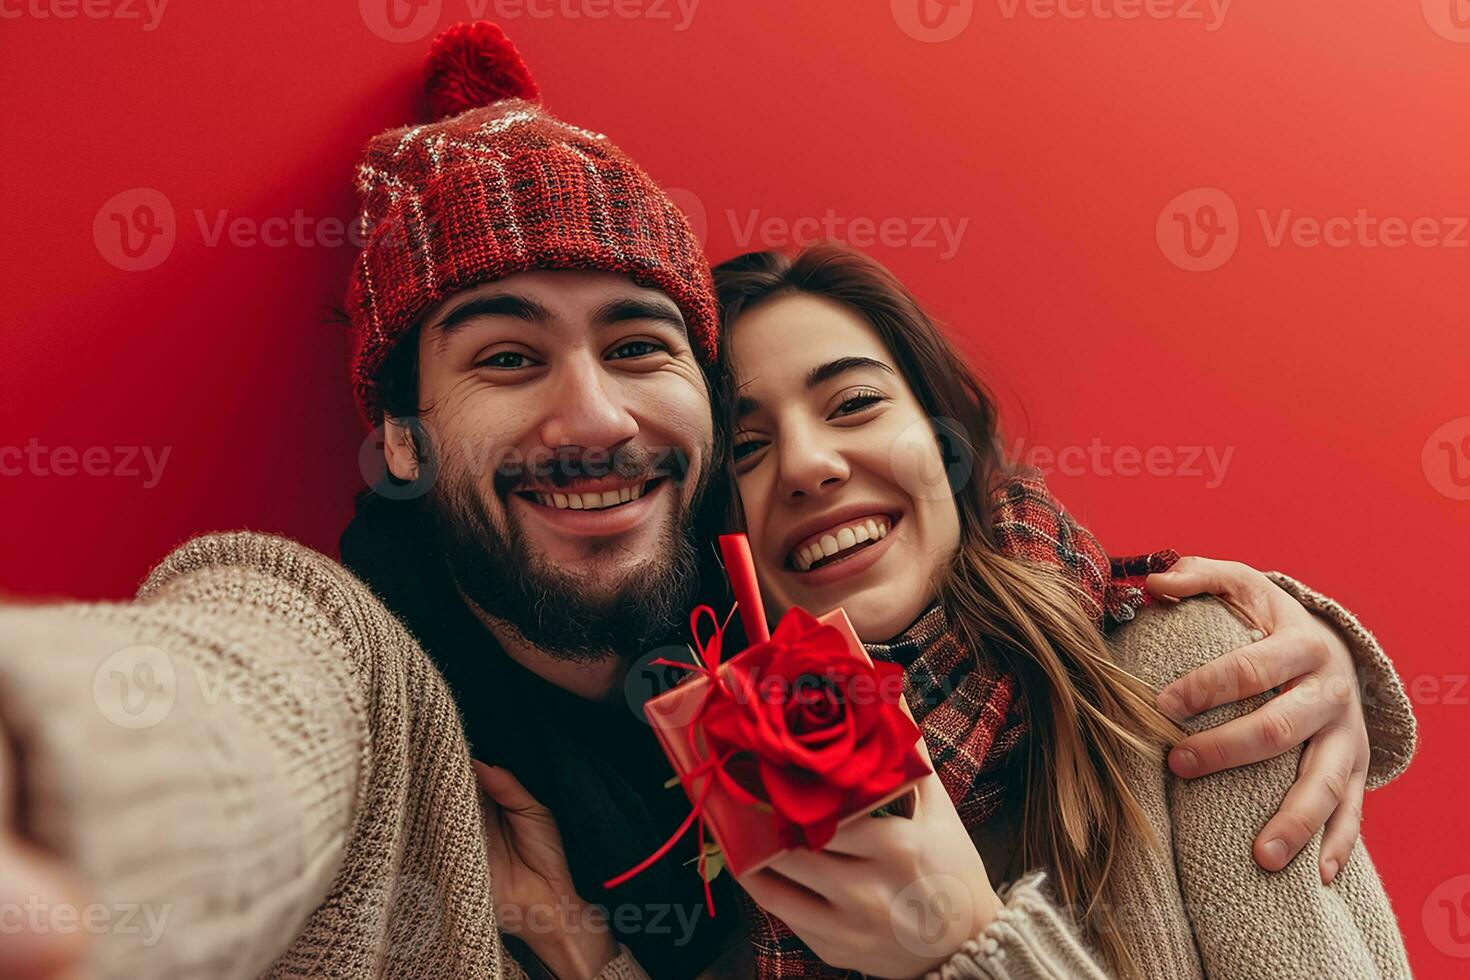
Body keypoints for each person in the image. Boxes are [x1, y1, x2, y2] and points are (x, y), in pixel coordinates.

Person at [0, 22, 1413, 980]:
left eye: (637, 347)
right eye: (504, 356)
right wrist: (71, 770)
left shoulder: (1200, 675)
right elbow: (253, 692)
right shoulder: (698, 767)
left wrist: (965, 942)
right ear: (403, 441)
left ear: (955, 445)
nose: (597, 415)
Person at [706, 242, 1414, 978]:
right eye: (745, 447)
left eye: (854, 404)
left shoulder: (1202, 677)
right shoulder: (716, 807)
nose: (807, 465)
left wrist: (967, 945)